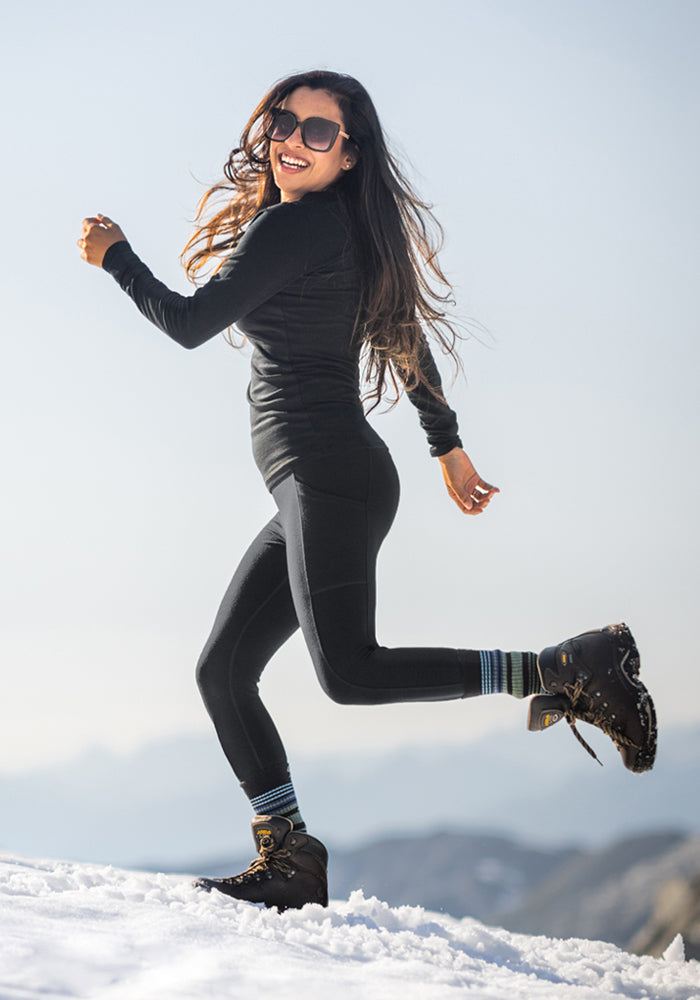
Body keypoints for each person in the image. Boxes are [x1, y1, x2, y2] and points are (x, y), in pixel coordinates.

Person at [77, 70, 657, 912]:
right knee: (223, 672)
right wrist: (446, 445)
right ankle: (289, 854)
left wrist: (115, 257)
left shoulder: (297, 227)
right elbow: (404, 330)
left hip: (330, 478)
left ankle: (566, 666)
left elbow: (191, 323)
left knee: (346, 673)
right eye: (283, 121)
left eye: (318, 132)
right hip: (316, 485)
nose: (290, 140)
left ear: (349, 157)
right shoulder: (335, 232)